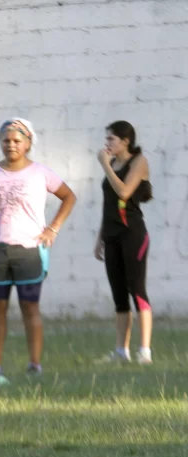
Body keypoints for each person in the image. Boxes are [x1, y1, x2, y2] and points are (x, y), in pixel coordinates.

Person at [0, 118, 77, 382]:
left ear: (28, 143)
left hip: (29, 250)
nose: (11, 145)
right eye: (6, 140)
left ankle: (34, 366)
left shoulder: (40, 172)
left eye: (17, 140)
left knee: (30, 307)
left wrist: (53, 228)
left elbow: (69, 196)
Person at [94, 121, 153, 364]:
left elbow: (124, 193)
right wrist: (100, 237)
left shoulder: (138, 161)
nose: (107, 144)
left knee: (136, 290)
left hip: (133, 234)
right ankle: (121, 352)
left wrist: (105, 166)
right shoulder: (112, 165)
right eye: (106, 139)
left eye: (111, 139)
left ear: (125, 141)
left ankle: (144, 351)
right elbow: (108, 204)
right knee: (119, 294)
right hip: (112, 235)